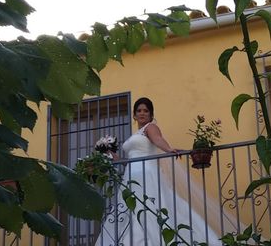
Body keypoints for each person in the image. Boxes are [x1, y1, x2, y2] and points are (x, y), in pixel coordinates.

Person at [94, 97, 223, 245]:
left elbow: (158, 139)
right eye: (139, 111)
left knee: (149, 209)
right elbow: (128, 161)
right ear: (134, 115)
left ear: (151, 114)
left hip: (146, 174)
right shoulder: (136, 135)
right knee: (132, 210)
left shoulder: (150, 127)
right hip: (130, 177)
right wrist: (109, 153)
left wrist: (168, 149)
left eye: (146, 111)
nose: (142, 113)